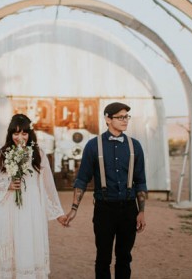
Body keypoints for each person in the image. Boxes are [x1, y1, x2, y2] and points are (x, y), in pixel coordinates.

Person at [65, 102, 147, 279]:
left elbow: (140, 181)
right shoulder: (93, 146)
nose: (125, 120)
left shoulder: (135, 146)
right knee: (103, 258)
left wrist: (141, 211)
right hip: (104, 209)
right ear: (107, 119)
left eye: (127, 117)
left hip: (128, 209)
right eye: (120, 117)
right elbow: (82, 179)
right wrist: (74, 208)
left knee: (124, 258)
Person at [0, 114, 68, 279]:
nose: (20, 137)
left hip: (32, 209)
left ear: (30, 134)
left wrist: (58, 212)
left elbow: (48, 186)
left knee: (29, 243)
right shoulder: (1, 153)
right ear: (10, 134)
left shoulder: (38, 153)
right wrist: (8, 185)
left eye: (24, 133)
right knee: (13, 244)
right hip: (10, 208)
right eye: (16, 133)